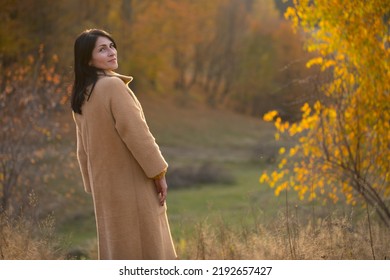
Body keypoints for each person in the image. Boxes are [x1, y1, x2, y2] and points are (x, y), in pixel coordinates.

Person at [71, 29, 177, 260]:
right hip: (133, 185)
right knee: (147, 251)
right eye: (102, 49)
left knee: (118, 249)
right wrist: (159, 173)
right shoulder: (112, 87)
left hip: (106, 188)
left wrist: (94, 186)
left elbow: (82, 151)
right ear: (87, 59)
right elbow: (138, 134)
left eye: (111, 45)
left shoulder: (82, 96)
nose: (111, 52)